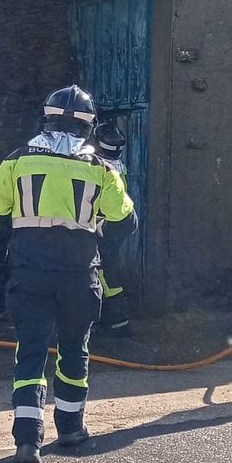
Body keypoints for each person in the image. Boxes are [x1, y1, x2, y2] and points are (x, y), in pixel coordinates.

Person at [0, 86, 138, 463]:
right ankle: (69, 429)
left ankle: (26, 442)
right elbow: (125, 224)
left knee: (31, 351)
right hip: (78, 275)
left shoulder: (17, 161)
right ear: (89, 127)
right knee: (74, 349)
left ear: (46, 116)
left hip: (29, 272)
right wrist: (92, 227)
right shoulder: (100, 168)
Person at [90, 119, 134, 337]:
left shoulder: (99, 166)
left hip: (100, 225)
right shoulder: (117, 164)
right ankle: (115, 320)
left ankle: (117, 320)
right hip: (116, 224)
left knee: (103, 273)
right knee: (109, 270)